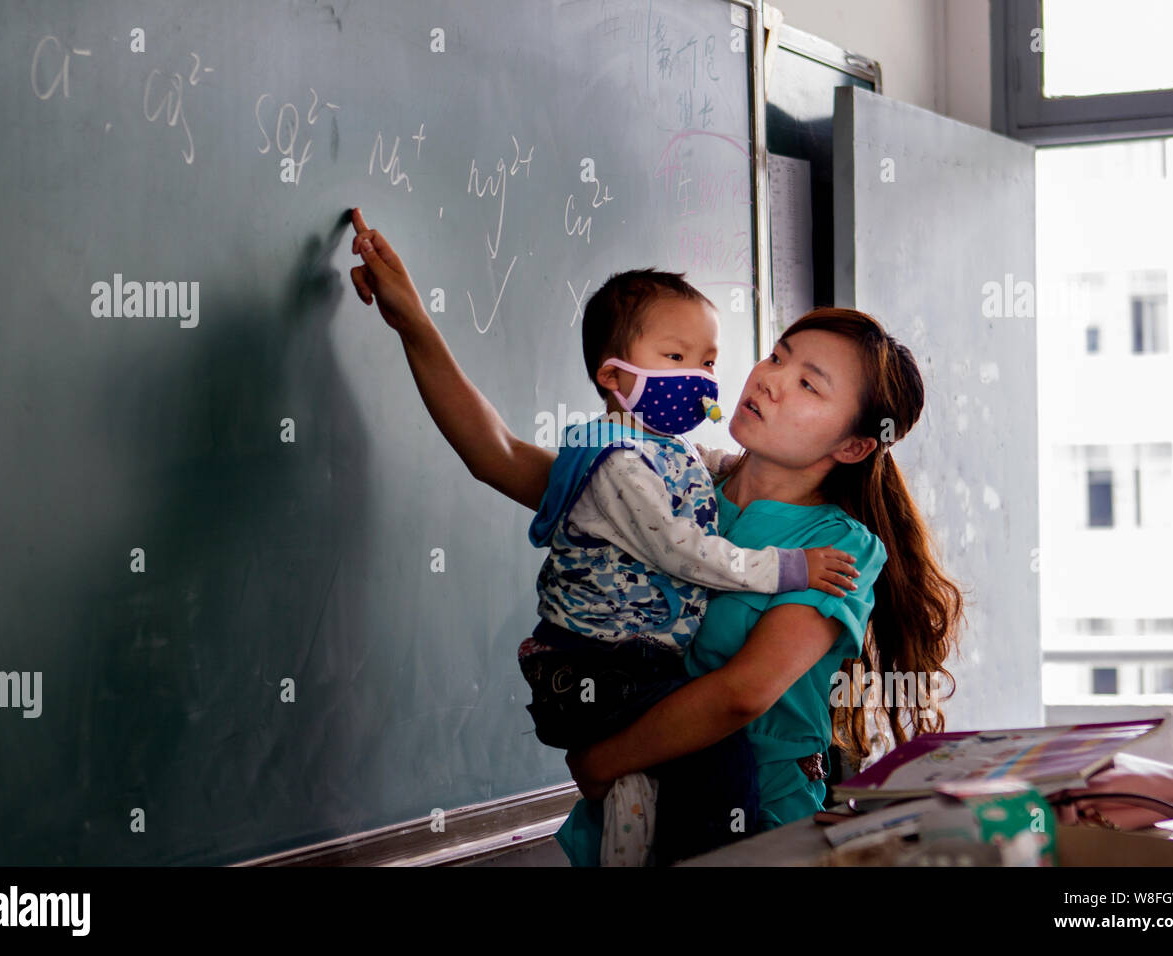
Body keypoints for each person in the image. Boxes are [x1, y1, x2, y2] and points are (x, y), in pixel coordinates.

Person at [347, 209, 964, 865]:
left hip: (757, 838)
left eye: (809, 384)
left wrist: (600, 760)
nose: (771, 379)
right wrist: (412, 322)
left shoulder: (837, 547)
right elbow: (497, 455)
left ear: (853, 445)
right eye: (778, 355)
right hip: (630, 820)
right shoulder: (669, 478)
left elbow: (741, 694)